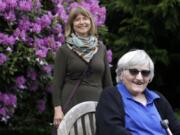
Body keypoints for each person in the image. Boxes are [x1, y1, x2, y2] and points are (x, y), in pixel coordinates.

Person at [52, 7, 113, 127]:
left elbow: (108, 83)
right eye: (77, 20)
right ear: (72, 25)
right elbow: (56, 84)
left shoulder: (100, 48)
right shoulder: (64, 50)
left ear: (90, 22)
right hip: (71, 103)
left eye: (85, 18)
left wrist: (112, 106)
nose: (82, 22)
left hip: (97, 104)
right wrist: (57, 110)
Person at [96, 49, 180, 135]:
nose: (139, 78)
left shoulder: (158, 98)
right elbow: (111, 130)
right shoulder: (110, 96)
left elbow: (176, 128)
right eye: (133, 71)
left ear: (150, 77)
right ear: (121, 74)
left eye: (145, 72)